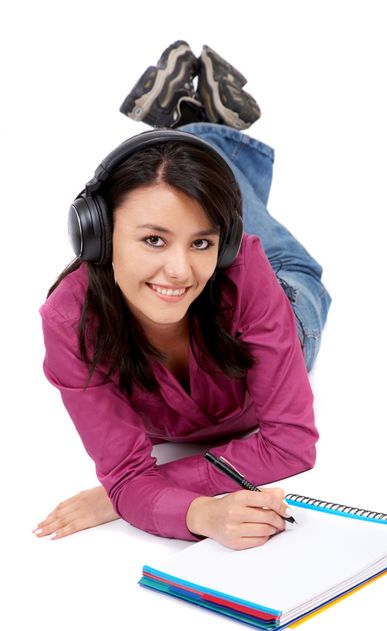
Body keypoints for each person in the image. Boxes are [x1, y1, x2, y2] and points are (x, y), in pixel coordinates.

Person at [34, 41, 331, 551]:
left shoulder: (241, 271)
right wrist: (202, 513)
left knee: (208, 193)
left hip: (288, 299)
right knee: (190, 187)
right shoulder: (69, 321)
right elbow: (128, 475)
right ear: (98, 236)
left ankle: (191, 130)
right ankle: (196, 122)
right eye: (153, 239)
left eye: (203, 243)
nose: (179, 270)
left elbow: (290, 445)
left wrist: (124, 495)